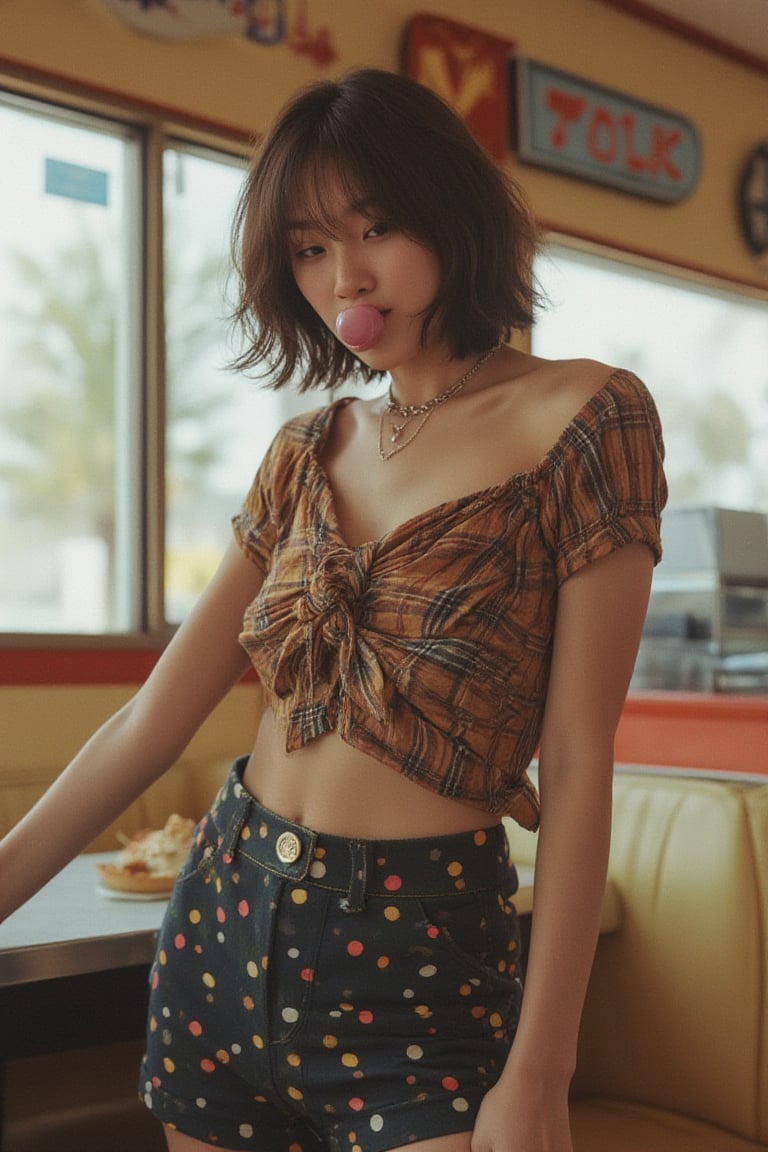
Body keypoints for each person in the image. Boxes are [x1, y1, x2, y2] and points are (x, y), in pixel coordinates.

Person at [0, 67, 666, 1152]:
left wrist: (543, 1069)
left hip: (423, 961)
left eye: (378, 226)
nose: (347, 275)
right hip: (222, 918)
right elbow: (150, 722)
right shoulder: (308, 448)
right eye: (309, 248)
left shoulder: (587, 417)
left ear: (451, 213)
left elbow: (583, 760)